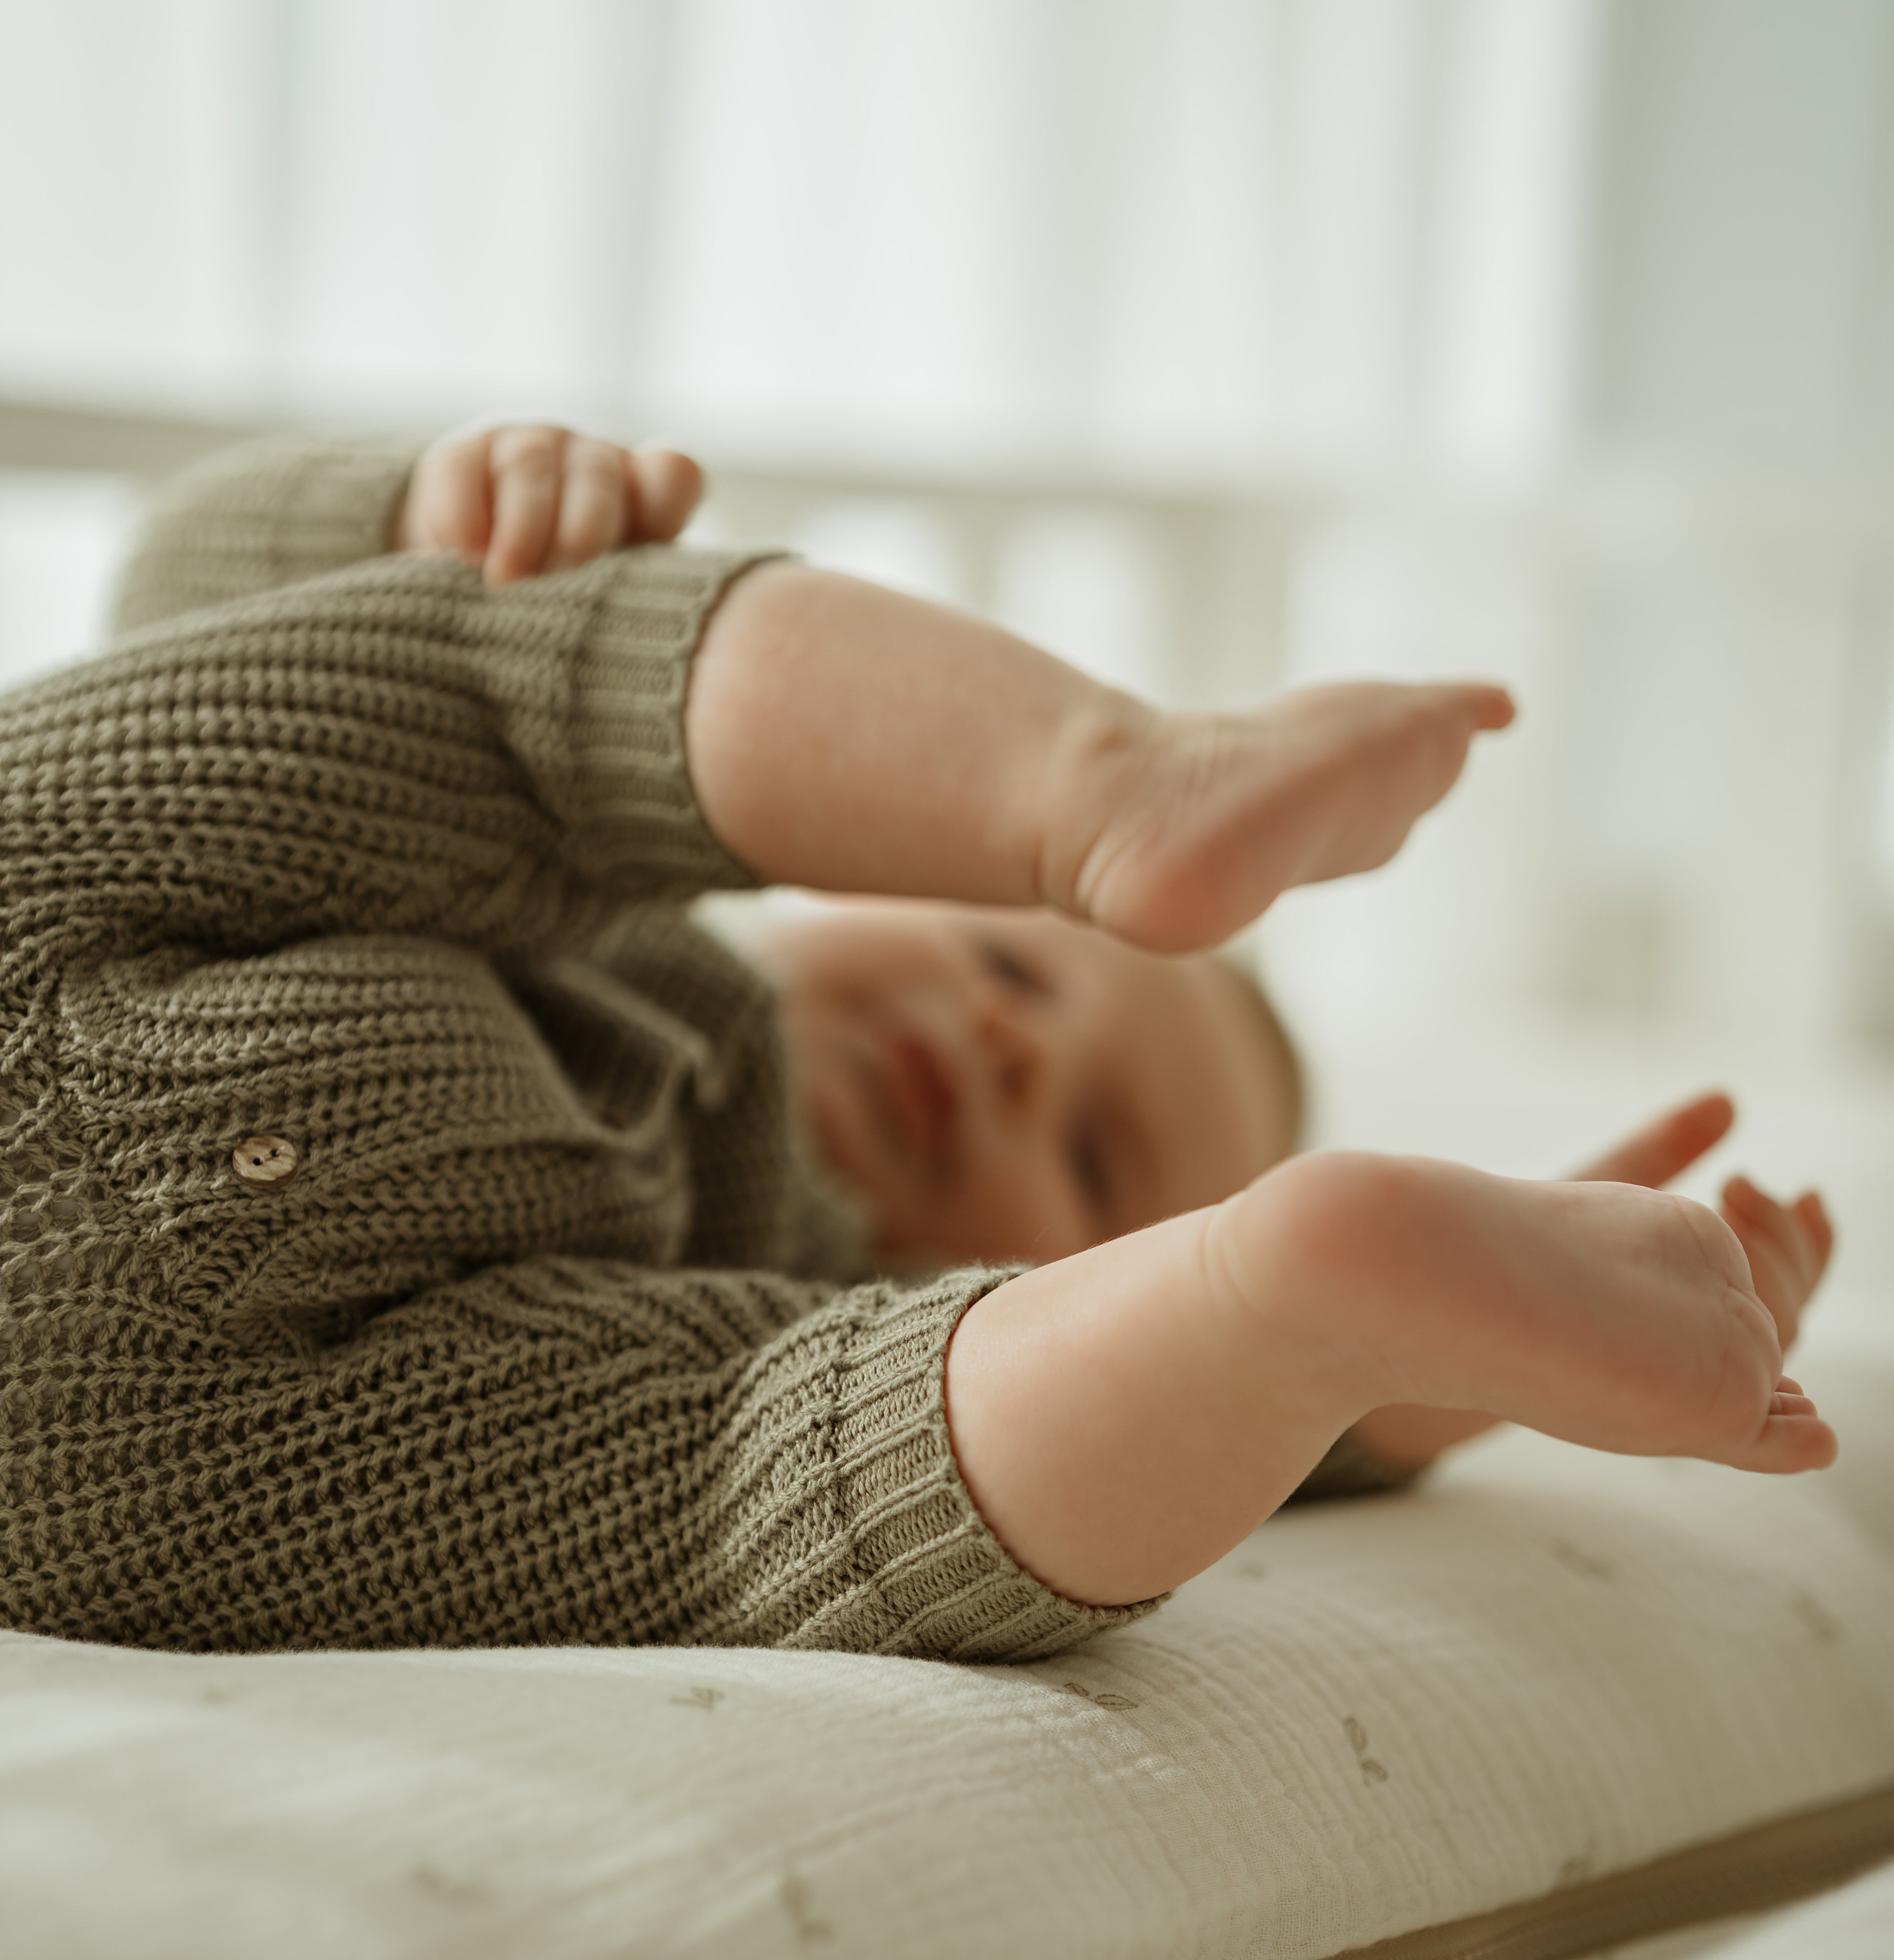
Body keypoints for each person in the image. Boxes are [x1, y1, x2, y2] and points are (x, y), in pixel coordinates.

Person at [0, 423, 1834, 1661]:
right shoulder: (608, 902)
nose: (1013, 1055)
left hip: (201, 1431)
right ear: (876, 867)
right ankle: (1095, 780)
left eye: (1101, 1162)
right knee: (501, 680)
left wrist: (1455, 1356)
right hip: (64, 910)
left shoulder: (781, 1294)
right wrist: (420, 518)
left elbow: (1053, 1427)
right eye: (1013, 963)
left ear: (1067, 1271)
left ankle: (1279, 1305)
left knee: (763, 1469)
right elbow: (190, 591)